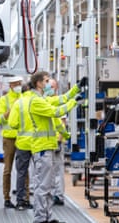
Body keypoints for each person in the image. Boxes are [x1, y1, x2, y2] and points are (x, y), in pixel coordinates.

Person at [28, 72, 85, 223]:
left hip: (49, 147)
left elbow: (61, 99)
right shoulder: (36, 102)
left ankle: (48, 216)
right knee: (43, 186)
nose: (48, 84)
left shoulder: (43, 99)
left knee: (49, 186)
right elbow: (57, 111)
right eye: (46, 81)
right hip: (42, 149)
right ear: (39, 84)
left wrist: (76, 89)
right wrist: (74, 102)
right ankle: (40, 218)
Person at [0, 76, 23, 208]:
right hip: (9, 138)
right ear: (11, 85)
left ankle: (24, 198)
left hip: (23, 137)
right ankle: (7, 198)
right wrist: (10, 111)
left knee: (23, 169)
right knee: (8, 169)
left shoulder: (24, 97)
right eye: (16, 84)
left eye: (20, 83)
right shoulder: (4, 100)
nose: (18, 86)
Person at [10, 87, 35, 211]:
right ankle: (40, 203)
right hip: (38, 143)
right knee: (39, 174)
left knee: (21, 173)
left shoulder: (18, 103)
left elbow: (12, 124)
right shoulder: (38, 101)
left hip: (23, 143)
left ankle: (20, 201)